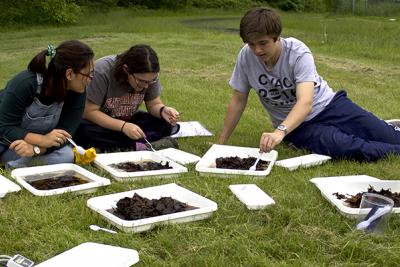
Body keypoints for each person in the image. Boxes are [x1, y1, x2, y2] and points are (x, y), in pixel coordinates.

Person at [219, 7, 400, 162]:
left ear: (277, 37)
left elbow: (305, 101)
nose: (257, 50)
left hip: (331, 106)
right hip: (298, 127)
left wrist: (279, 132)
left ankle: (389, 129)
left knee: (388, 136)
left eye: (263, 43)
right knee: (348, 148)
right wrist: (221, 144)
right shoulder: (246, 56)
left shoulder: (297, 52)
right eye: (251, 44)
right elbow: (238, 99)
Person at [0, 40, 94, 168]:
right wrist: (42, 140)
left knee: (67, 155)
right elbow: (5, 127)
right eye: (88, 75)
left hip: (37, 148)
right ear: (70, 74)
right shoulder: (25, 83)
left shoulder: (78, 92)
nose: (90, 80)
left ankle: (15, 165)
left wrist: (36, 149)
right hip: (8, 143)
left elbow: (65, 136)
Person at [73, 44, 180, 152]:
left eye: (151, 81)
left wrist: (162, 111)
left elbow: (153, 104)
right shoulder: (102, 70)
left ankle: (118, 146)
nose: (146, 86)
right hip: (100, 123)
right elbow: (90, 112)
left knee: (164, 125)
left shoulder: (150, 76)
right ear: (126, 69)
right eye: (141, 81)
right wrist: (123, 126)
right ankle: (134, 146)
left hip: (128, 119)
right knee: (82, 130)